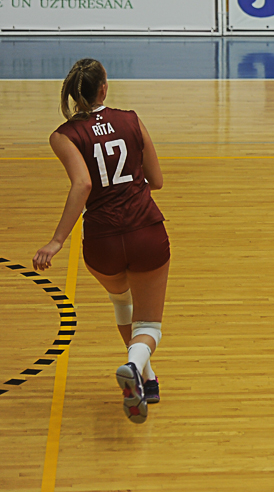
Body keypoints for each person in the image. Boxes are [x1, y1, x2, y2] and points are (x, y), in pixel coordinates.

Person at [33, 59, 171, 424]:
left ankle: (147, 379)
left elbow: (83, 184)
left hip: (101, 241)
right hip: (145, 232)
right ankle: (134, 365)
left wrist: (56, 241)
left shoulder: (62, 136)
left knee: (122, 300)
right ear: (104, 89)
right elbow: (157, 181)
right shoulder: (131, 120)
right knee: (149, 325)